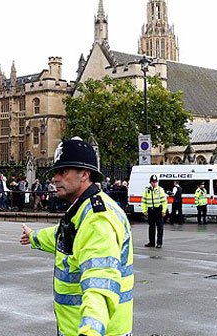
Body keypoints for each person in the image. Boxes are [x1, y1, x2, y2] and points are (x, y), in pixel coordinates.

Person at [19, 138, 134, 336]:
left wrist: (90, 331)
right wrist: (35, 237)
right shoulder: (83, 208)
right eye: (55, 172)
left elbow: (100, 286)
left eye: (63, 171)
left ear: (85, 175)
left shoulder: (98, 220)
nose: (55, 178)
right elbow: (64, 235)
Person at [142, 175, 168, 248]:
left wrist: (164, 210)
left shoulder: (160, 190)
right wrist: (144, 210)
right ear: (150, 182)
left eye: (155, 182)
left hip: (158, 210)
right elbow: (144, 201)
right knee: (151, 227)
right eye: (153, 182)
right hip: (151, 210)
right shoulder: (147, 190)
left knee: (160, 227)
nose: (154, 183)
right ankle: (152, 242)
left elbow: (164, 201)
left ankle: (159, 243)